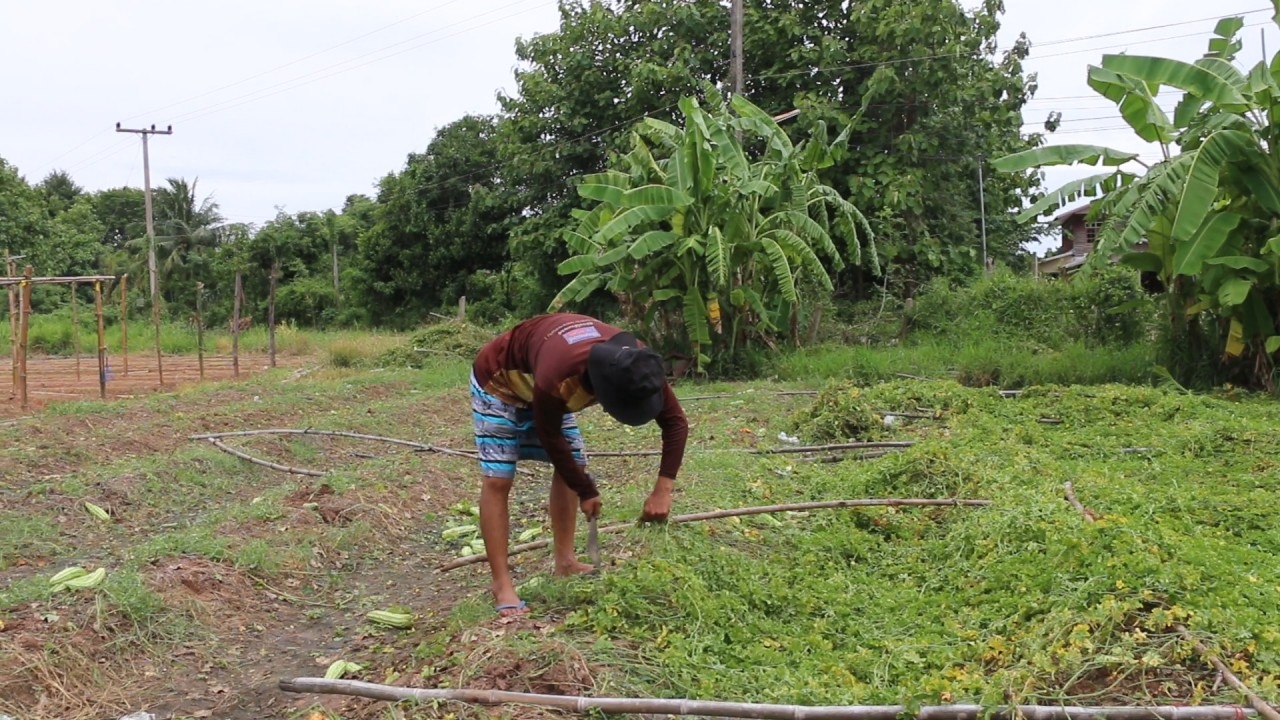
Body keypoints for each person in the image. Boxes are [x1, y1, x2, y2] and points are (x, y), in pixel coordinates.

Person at [469, 313, 689, 616]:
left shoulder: (636, 364)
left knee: (573, 468)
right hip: (500, 381)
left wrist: (663, 490)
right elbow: (550, 436)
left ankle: (565, 562)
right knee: (498, 477)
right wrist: (586, 490)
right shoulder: (559, 376)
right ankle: (501, 584)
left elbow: (675, 422)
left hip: (546, 381)